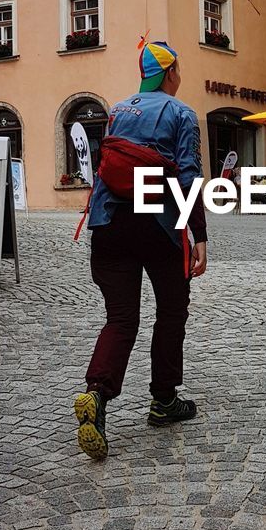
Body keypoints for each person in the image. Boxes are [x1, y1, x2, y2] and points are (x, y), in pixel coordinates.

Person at [74, 40, 207, 461]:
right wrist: (197, 234)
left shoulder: (117, 109)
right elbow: (188, 177)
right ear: (170, 74)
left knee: (121, 317)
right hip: (157, 223)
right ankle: (164, 400)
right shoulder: (182, 113)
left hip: (109, 222)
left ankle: (97, 393)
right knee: (170, 310)